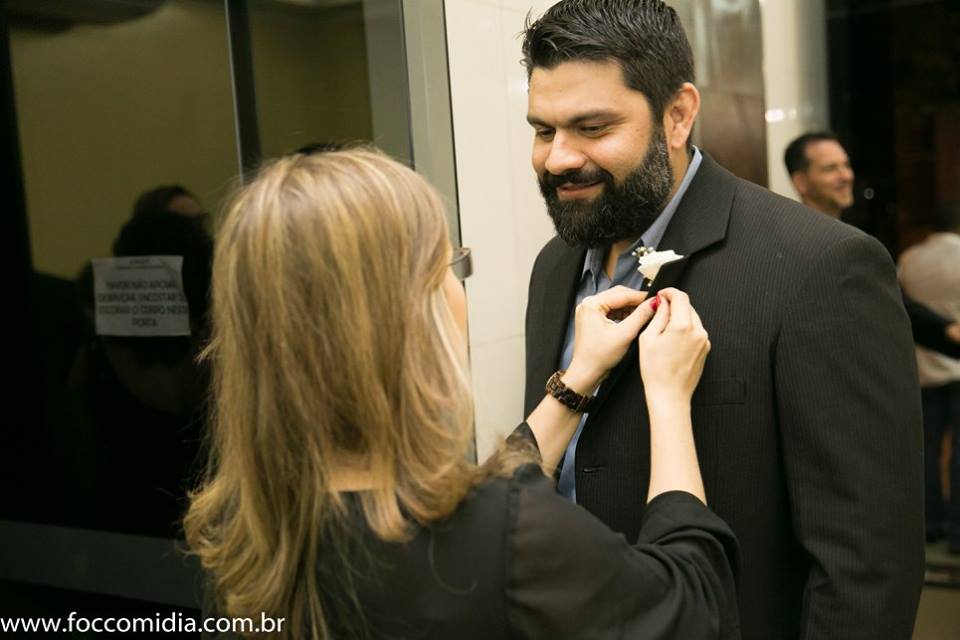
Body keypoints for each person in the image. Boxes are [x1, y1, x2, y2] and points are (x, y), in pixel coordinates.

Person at [184, 149, 740, 639]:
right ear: (404, 318)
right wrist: (668, 399)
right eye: (447, 266)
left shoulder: (241, 532)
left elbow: (475, 503)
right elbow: (693, 608)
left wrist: (577, 380)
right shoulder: (506, 535)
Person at [520, 2, 923, 639]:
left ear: (678, 115)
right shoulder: (553, 267)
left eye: (592, 128)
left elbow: (866, 564)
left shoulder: (821, 267)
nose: (558, 159)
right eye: (544, 131)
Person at [785, 131, 960, 356]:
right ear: (801, 182)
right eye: (830, 168)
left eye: (846, 165)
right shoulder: (790, 247)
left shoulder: (855, 241)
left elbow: (890, 303)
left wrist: (946, 329)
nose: (846, 176)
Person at [898, 205, 960, 552]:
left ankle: (930, 522)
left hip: (924, 366)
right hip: (957, 364)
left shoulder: (910, 259)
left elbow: (906, 310)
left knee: (928, 450)